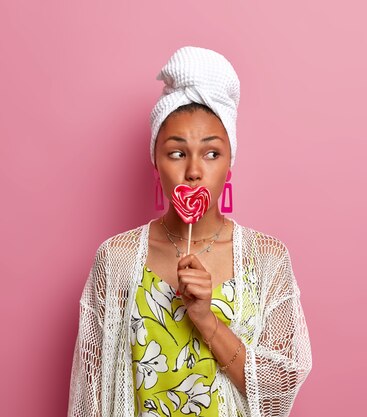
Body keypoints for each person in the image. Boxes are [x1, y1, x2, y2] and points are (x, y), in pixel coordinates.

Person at [67, 46, 313, 417]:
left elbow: (278, 392)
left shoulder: (267, 258)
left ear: (230, 163)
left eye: (212, 153)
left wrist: (206, 320)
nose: (195, 170)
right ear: (156, 160)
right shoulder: (115, 258)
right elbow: (91, 395)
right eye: (177, 153)